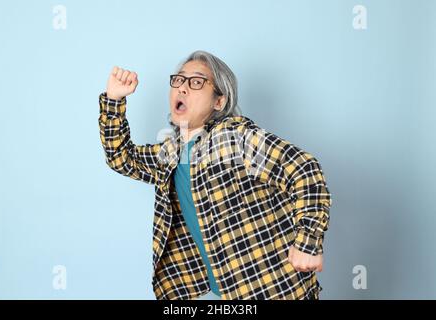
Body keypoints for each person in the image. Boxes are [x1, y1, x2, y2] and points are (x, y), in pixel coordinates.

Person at [98, 50, 332, 300]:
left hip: (275, 289)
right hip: (229, 293)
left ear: (219, 101)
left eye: (196, 82)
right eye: (178, 80)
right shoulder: (171, 152)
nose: (182, 88)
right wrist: (113, 100)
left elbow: (304, 169)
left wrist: (308, 243)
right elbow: (121, 158)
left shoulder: (236, 138)